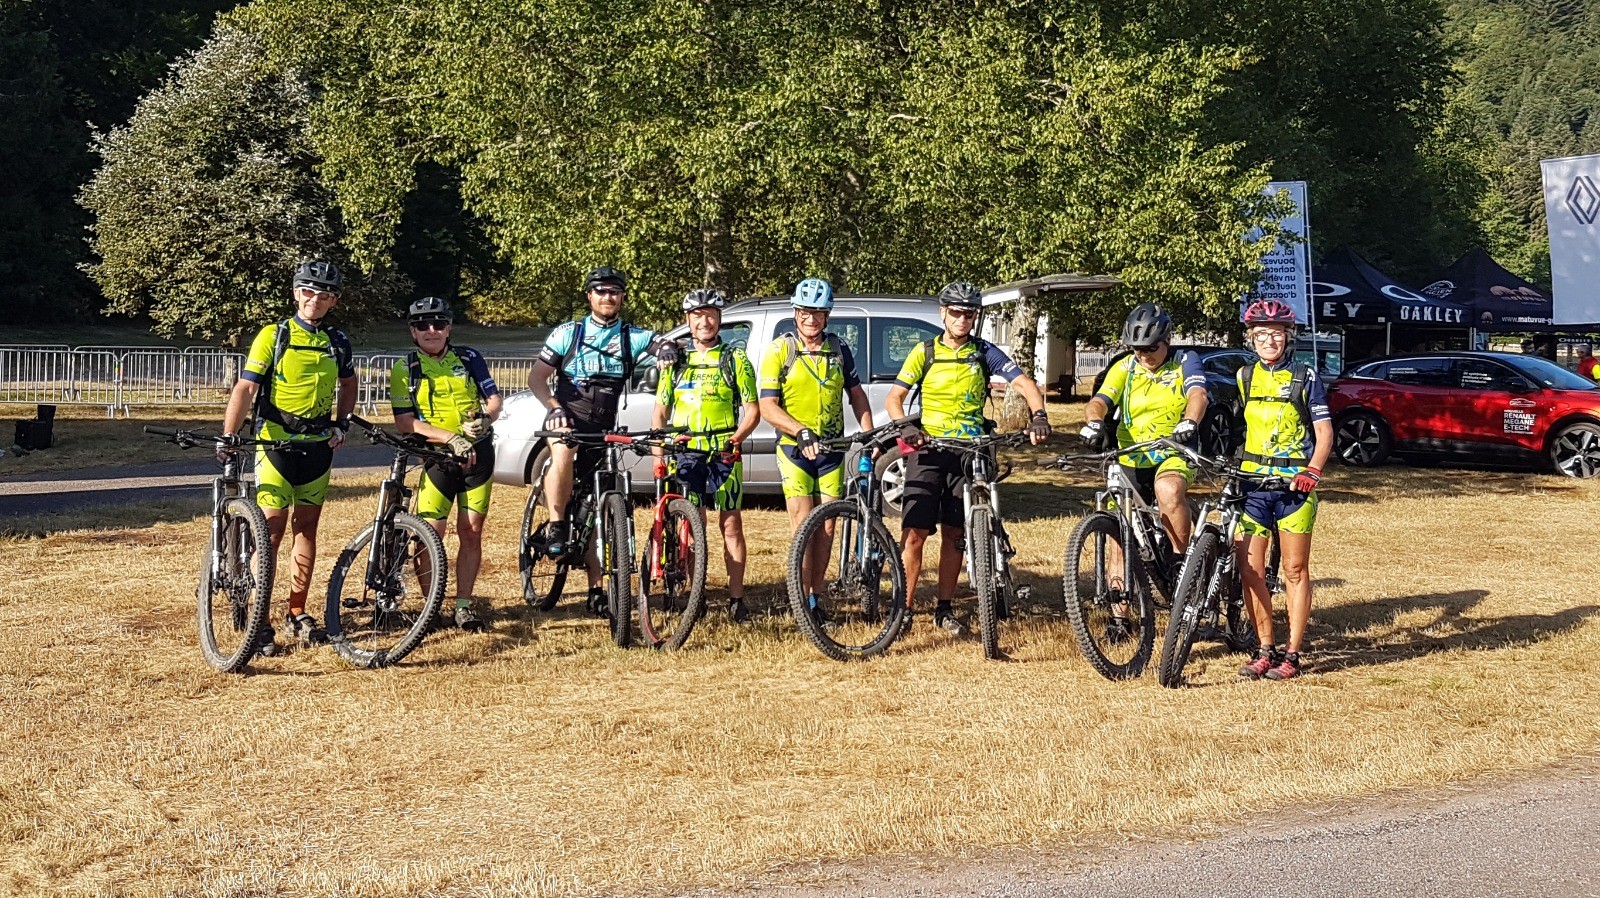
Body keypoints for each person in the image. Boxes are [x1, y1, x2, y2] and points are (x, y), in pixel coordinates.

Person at [885, 281, 1051, 636]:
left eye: (969, 314)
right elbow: (894, 397)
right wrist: (905, 427)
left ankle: (944, 608)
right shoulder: (924, 352)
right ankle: (904, 609)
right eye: (956, 312)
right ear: (943, 313)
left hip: (969, 451)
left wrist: (1039, 416)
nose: (962, 319)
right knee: (914, 534)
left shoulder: (983, 352)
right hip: (929, 450)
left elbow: (1024, 383)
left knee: (956, 533)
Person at [221, 260, 357, 656]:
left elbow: (349, 383)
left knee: (307, 530)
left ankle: (297, 611)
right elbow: (246, 388)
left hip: (317, 444)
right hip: (275, 443)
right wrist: (230, 433)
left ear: (333, 301)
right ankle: (259, 617)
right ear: (297, 293)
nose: (316, 299)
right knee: (271, 532)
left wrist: (342, 423)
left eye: (325, 294)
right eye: (309, 291)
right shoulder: (274, 334)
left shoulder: (337, 340)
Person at [529, 266, 678, 615]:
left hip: (603, 424)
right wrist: (554, 408)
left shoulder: (631, 336)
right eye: (600, 291)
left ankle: (597, 589)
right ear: (589, 296)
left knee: (600, 505)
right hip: (567, 416)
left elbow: (662, 342)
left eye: (614, 291)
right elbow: (537, 378)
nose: (607, 297)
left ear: (622, 297)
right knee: (564, 451)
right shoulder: (569, 333)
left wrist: (668, 349)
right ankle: (556, 524)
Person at [757, 277, 874, 609]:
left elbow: (856, 395)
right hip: (794, 450)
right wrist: (799, 430)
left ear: (827, 316)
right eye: (805, 313)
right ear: (796, 313)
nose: (811, 319)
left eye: (818, 313)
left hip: (831, 449)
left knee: (827, 527)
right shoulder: (781, 350)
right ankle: (801, 599)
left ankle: (815, 596)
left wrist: (868, 433)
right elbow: (767, 406)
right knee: (804, 526)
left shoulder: (838, 349)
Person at [1234, 300, 1334, 681]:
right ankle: (1264, 648)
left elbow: (1324, 433)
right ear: (1251, 338)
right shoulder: (1244, 376)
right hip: (1253, 485)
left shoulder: (1305, 377)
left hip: (1294, 487)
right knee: (1250, 570)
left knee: (1294, 569)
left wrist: (1312, 470)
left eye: (1276, 334)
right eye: (1261, 334)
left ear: (1288, 337)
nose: (1268, 341)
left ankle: (1292, 653)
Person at [389, 297, 502, 632]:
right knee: (429, 536)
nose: (431, 330)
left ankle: (464, 605)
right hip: (437, 459)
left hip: (478, 456)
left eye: (438, 324)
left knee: (471, 531)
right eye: (422, 325)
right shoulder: (405, 368)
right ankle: (431, 606)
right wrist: (449, 438)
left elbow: (494, 399)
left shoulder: (469, 358)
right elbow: (405, 422)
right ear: (413, 331)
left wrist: (486, 418)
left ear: (449, 328)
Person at [650, 288, 760, 621]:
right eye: (698, 315)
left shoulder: (735, 358)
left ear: (719, 319)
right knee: (692, 525)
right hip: (686, 452)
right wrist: (658, 455)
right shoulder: (676, 361)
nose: (705, 321)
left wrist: (735, 439)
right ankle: (696, 596)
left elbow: (753, 411)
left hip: (724, 452)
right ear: (688, 320)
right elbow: (659, 413)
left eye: (710, 315)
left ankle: (736, 598)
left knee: (731, 525)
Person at [1079, 303, 1209, 554]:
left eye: (1151, 348)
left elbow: (1198, 394)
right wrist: (1094, 423)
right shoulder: (1125, 366)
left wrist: (1190, 421)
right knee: (1121, 531)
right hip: (1132, 454)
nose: (1144, 356)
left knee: (1167, 489)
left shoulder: (1185, 360)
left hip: (1174, 449)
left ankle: (1179, 561)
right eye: (1138, 349)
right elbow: (1099, 402)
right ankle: (1120, 580)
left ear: (1167, 339)